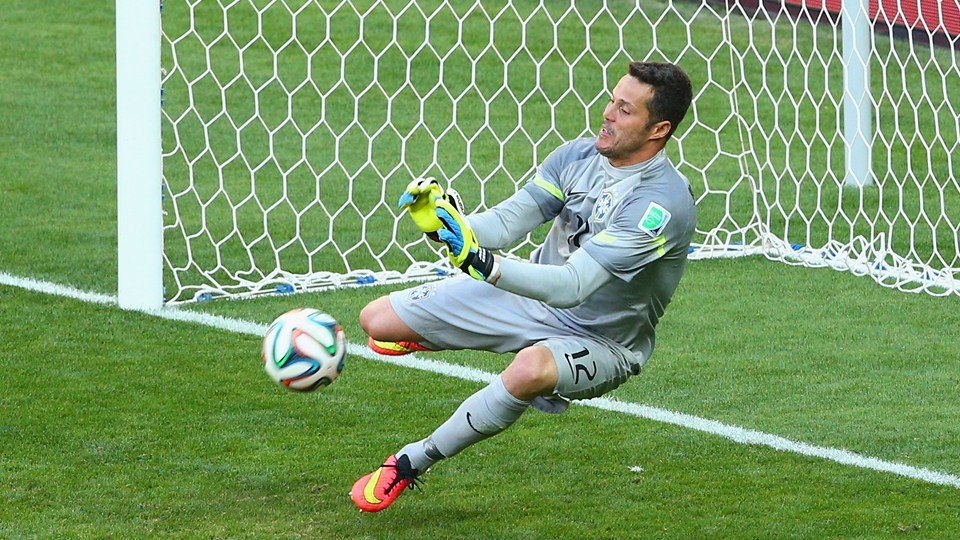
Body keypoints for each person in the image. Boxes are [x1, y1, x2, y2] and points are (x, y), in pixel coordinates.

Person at [350, 61, 696, 512]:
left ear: (659, 129)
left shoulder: (661, 204)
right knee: (374, 320)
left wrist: (485, 266)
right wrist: (449, 224)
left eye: (625, 110)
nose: (608, 113)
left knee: (530, 370)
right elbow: (507, 223)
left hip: (603, 341)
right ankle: (435, 334)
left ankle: (411, 461)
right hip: (528, 300)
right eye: (612, 100)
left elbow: (574, 286)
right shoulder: (577, 156)